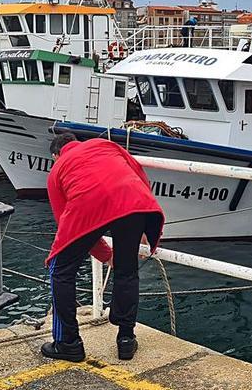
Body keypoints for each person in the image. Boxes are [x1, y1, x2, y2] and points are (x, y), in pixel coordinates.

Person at [42, 133, 164, 363]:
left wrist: (104, 254)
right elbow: (138, 174)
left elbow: (67, 225)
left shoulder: (57, 171)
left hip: (89, 203)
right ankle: (126, 340)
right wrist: (147, 227)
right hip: (134, 201)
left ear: (56, 155)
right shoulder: (105, 144)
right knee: (127, 270)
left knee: (61, 271)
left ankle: (69, 344)